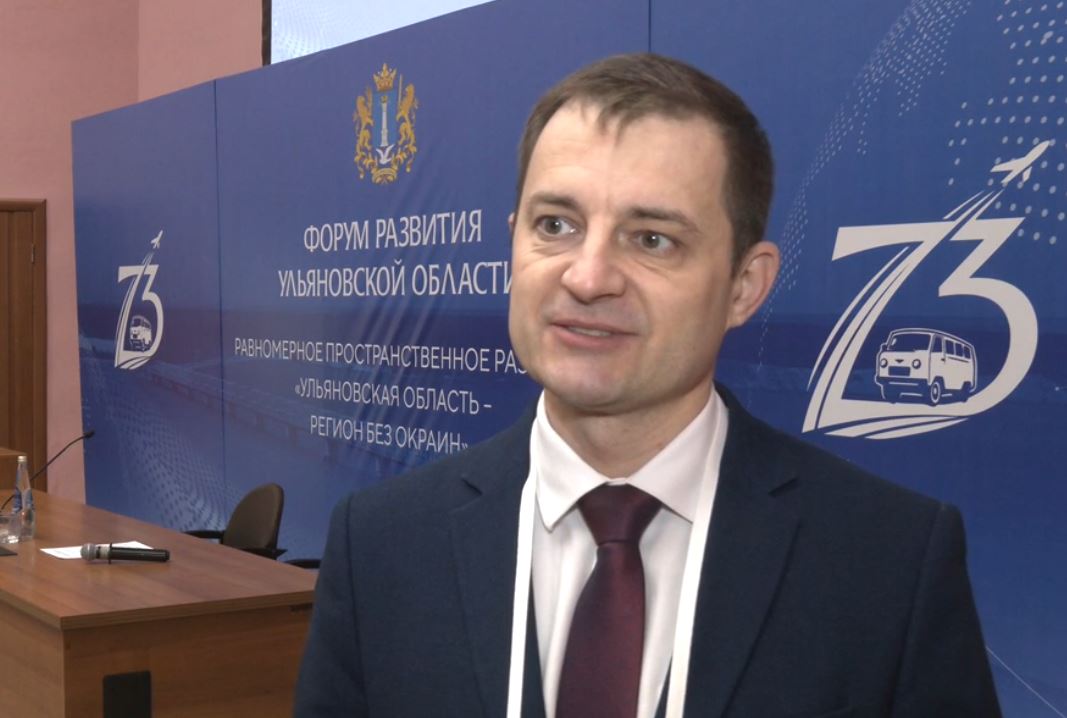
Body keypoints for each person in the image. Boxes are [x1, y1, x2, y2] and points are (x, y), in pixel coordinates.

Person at [294, 53, 1001, 717]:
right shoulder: (381, 544)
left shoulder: (889, 560)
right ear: (513, 243)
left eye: (652, 238)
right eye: (555, 225)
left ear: (744, 285)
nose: (588, 277)